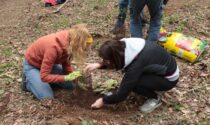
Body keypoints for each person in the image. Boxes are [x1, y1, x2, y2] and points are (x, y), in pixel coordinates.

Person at [84, 38, 179, 113]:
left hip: (168, 79)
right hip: (162, 67)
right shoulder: (123, 45)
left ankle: (154, 98)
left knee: (133, 84)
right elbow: (116, 60)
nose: (106, 62)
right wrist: (100, 65)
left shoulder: (136, 65)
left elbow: (121, 96)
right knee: (132, 80)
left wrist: (103, 100)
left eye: (107, 61)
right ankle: (150, 83)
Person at [22, 24, 93, 101]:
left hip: (49, 65)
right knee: (47, 98)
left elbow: (66, 63)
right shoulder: (53, 48)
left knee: (71, 86)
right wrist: (65, 77)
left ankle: (44, 82)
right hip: (33, 65)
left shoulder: (70, 40)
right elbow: (44, 76)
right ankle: (28, 82)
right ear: (78, 44)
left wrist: (73, 77)